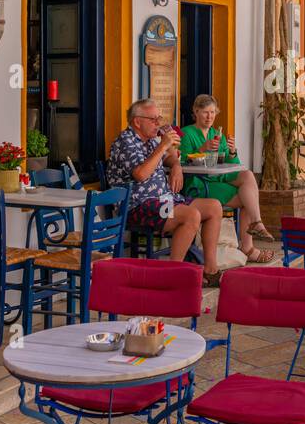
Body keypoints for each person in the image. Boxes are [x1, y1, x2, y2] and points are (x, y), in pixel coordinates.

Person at [107, 99, 223, 285]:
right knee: (190, 215)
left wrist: (176, 164)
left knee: (214, 207)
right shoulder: (125, 142)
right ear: (137, 121)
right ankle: (172, 275)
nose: (158, 123)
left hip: (164, 200)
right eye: (153, 119)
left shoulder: (150, 140)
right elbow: (141, 174)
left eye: (159, 118)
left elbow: (169, 157)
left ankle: (210, 270)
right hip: (139, 205)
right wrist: (162, 146)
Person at [179, 94, 274, 264]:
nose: (209, 117)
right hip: (199, 183)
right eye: (205, 112)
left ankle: (256, 224)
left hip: (218, 179)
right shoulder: (187, 133)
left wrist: (231, 151)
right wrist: (203, 148)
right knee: (247, 199)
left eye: (213, 112)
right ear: (196, 111)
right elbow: (183, 161)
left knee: (247, 176)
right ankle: (249, 246)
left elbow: (233, 164)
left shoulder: (217, 134)